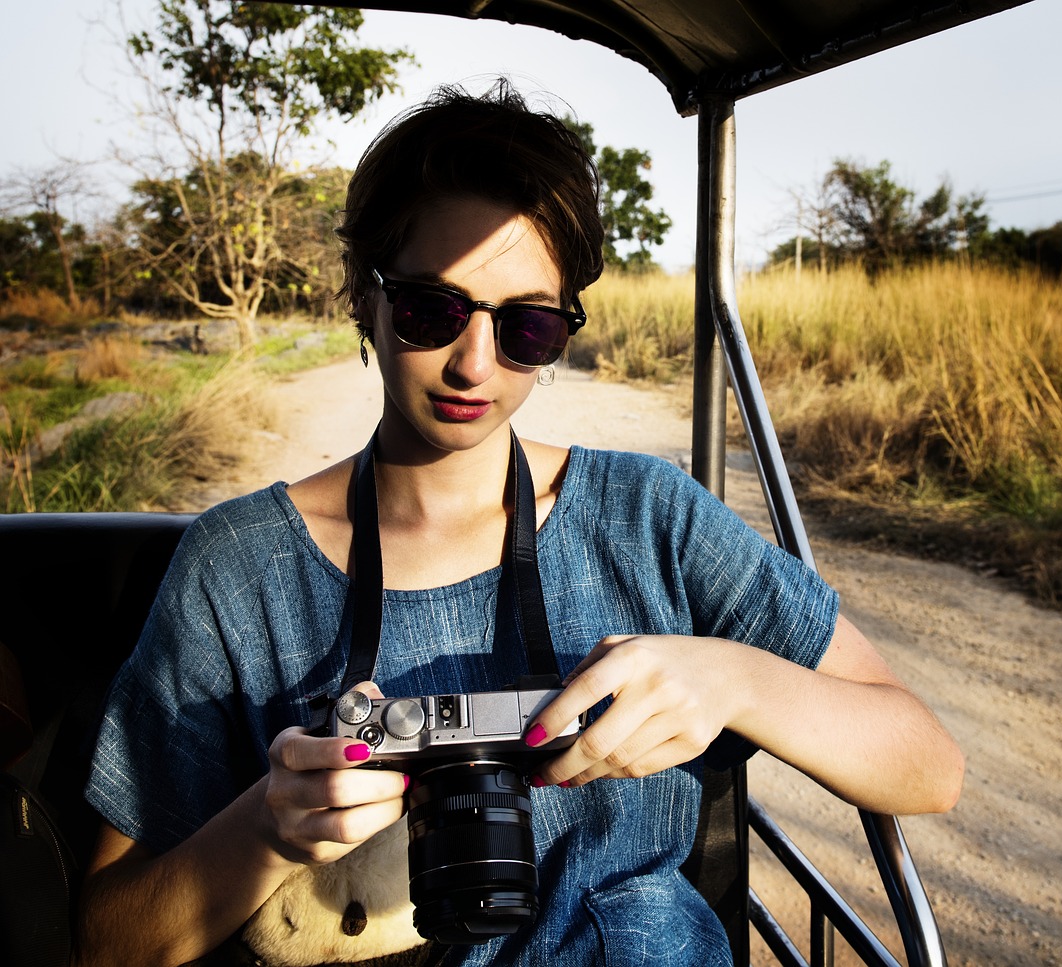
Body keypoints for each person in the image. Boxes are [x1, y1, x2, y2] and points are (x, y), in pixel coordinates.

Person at [76, 82, 964, 967]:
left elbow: (927, 763)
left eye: (525, 327)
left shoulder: (649, 516)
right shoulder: (241, 567)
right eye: (431, 309)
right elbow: (107, 939)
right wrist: (268, 826)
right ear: (363, 297)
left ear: (563, 334)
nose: (473, 364)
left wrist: (734, 681)